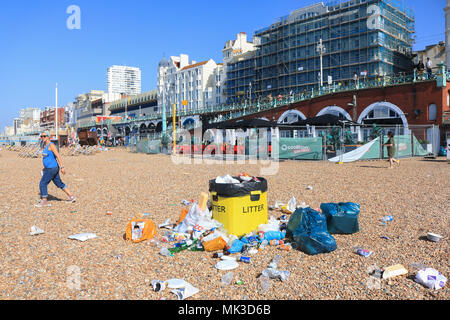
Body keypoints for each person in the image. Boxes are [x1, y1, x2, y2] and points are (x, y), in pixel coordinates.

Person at [35, 131, 76, 207]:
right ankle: (71, 196)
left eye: (44, 136)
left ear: (48, 137)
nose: (43, 138)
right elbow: (48, 158)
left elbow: (57, 155)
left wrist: (62, 167)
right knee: (59, 183)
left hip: (52, 168)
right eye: (41, 136)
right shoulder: (45, 145)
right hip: (49, 168)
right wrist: (44, 167)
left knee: (43, 183)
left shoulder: (51, 145)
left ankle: (44, 201)